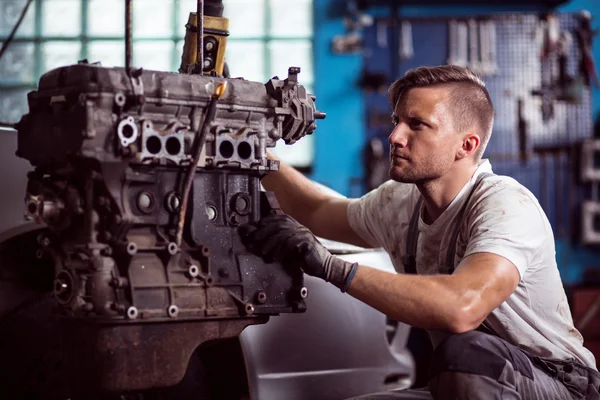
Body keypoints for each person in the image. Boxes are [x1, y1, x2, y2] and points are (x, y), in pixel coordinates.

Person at [238, 65, 600, 399]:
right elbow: (319, 210)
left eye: (417, 124)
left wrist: (330, 267)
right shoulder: (400, 202)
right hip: (468, 381)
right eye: (397, 121)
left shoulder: (506, 204)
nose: (395, 136)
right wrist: (252, 149)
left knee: (467, 352)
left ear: (467, 145)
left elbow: (463, 307)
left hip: (557, 385)